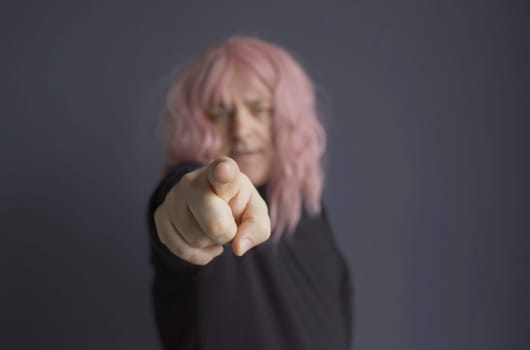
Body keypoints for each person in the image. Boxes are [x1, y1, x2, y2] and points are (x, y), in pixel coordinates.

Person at [147, 36, 353, 350]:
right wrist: (195, 199)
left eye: (260, 109)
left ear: (287, 119)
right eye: (220, 112)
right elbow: (183, 197)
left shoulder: (309, 212)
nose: (241, 130)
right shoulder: (202, 197)